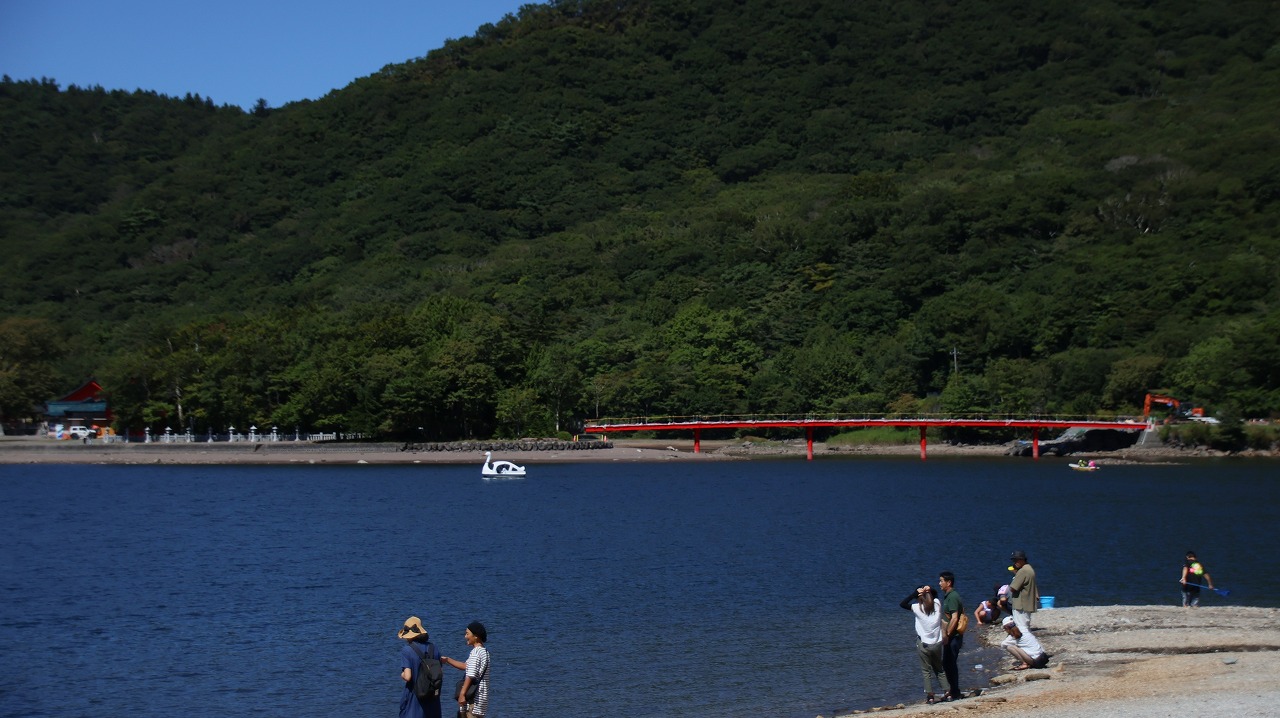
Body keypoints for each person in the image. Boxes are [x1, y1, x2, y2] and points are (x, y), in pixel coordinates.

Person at [900, 584, 952, 704]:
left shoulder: (917, 608)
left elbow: (902, 604)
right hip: (937, 643)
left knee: (926, 671)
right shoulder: (937, 604)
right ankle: (947, 692)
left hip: (923, 644)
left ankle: (930, 695)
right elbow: (935, 595)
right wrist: (929, 590)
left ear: (918, 598)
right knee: (939, 669)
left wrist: (914, 594)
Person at [397, 616, 444, 718]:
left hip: (415, 698)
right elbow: (440, 671)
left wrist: (402, 674)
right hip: (432, 699)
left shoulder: (407, 650)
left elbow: (408, 676)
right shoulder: (434, 648)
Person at [442, 621, 490, 718]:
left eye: (467, 634)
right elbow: (465, 666)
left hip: (473, 702)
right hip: (481, 701)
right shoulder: (484, 651)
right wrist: (447, 660)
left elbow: (471, 675)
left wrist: (462, 694)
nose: (465, 636)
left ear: (475, 636)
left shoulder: (476, 653)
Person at [938, 571, 964, 701]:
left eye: (941, 581)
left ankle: (955, 692)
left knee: (950, 663)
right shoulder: (949, 596)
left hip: (954, 636)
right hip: (952, 636)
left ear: (948, 582)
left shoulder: (952, 597)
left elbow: (954, 618)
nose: (939, 583)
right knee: (947, 663)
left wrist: (947, 634)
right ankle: (953, 691)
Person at [1007, 550, 1038, 633]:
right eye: (1013, 560)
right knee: (1026, 626)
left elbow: (1013, 588)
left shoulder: (1022, 571)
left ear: (1022, 559)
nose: (1015, 562)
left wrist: (1015, 576)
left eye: (1016, 560)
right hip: (1028, 603)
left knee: (1021, 627)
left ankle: (1026, 640)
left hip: (1020, 605)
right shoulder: (1030, 569)